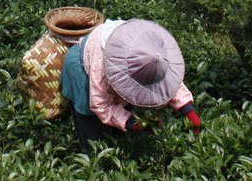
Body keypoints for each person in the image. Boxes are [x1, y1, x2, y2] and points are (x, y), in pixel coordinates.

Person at [59, 18, 201, 152]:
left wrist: (189, 111)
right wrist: (133, 123)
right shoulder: (101, 64)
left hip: (123, 66)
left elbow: (169, 81)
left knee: (122, 120)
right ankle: (92, 161)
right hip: (81, 70)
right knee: (92, 128)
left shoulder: (153, 53)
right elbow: (100, 105)